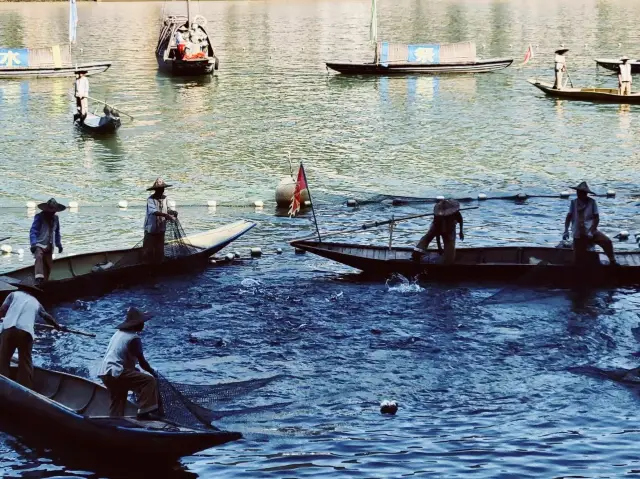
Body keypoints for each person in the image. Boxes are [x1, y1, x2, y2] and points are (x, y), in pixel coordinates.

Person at [97, 307, 160, 418]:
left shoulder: (119, 333)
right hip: (116, 372)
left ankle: (115, 423)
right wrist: (153, 372)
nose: (143, 325)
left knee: (118, 400)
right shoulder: (134, 338)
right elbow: (142, 363)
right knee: (149, 381)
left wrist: (134, 371)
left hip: (105, 373)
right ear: (135, 324)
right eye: (141, 323)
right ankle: (144, 412)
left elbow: (120, 357)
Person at [0, 288, 63, 389]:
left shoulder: (13, 294)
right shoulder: (36, 302)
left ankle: (2, 384)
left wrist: (2, 317)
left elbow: (3, 309)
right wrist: (57, 326)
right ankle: (24, 388)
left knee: (3, 359)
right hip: (25, 332)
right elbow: (46, 316)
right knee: (25, 362)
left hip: (9, 329)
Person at [563, 181, 616, 265]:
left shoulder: (592, 202)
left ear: (585, 194)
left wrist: (592, 230)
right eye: (578, 192)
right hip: (578, 233)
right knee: (577, 259)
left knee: (607, 242)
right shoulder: (573, 203)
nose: (579, 194)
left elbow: (596, 218)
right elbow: (569, 216)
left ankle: (612, 261)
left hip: (590, 230)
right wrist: (566, 230)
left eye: (581, 193)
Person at [412, 199, 464, 265]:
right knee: (427, 237)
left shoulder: (455, 213)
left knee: (449, 244)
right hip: (438, 227)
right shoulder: (438, 217)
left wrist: (461, 231)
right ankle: (417, 255)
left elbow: (461, 220)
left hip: (450, 229)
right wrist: (439, 247)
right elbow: (437, 232)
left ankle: (448, 259)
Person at [29, 198, 65, 285]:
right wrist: (33, 244)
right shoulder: (39, 217)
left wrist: (59, 244)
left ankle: (46, 282)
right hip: (39, 244)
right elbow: (33, 231)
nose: (52, 212)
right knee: (39, 257)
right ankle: (38, 279)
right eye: (50, 211)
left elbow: (57, 232)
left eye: (54, 211)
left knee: (49, 265)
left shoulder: (56, 219)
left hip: (49, 245)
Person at [143, 178, 177, 263]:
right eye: (160, 189)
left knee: (160, 248)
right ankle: (147, 263)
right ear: (156, 190)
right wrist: (166, 215)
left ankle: (159, 262)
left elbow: (167, 209)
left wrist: (172, 212)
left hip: (161, 227)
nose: (162, 190)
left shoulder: (165, 198)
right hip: (151, 228)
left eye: (163, 189)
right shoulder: (150, 199)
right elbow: (153, 211)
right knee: (148, 249)